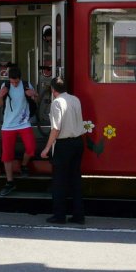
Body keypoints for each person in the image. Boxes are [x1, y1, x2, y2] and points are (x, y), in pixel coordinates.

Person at [40, 77, 86, 224]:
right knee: (75, 180)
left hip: (63, 145)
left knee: (59, 182)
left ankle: (59, 216)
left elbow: (56, 128)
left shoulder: (57, 103)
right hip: (78, 142)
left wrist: (46, 148)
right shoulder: (75, 99)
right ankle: (79, 216)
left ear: (53, 90)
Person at [0, 65, 38, 195]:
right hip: (8, 125)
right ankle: (10, 182)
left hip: (23, 123)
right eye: (12, 81)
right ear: (9, 79)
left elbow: (35, 100)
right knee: (7, 156)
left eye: (16, 82)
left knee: (31, 149)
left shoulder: (26, 84)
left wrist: (34, 94)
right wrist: (0, 96)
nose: (14, 84)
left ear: (20, 79)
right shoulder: (5, 86)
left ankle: (24, 165)